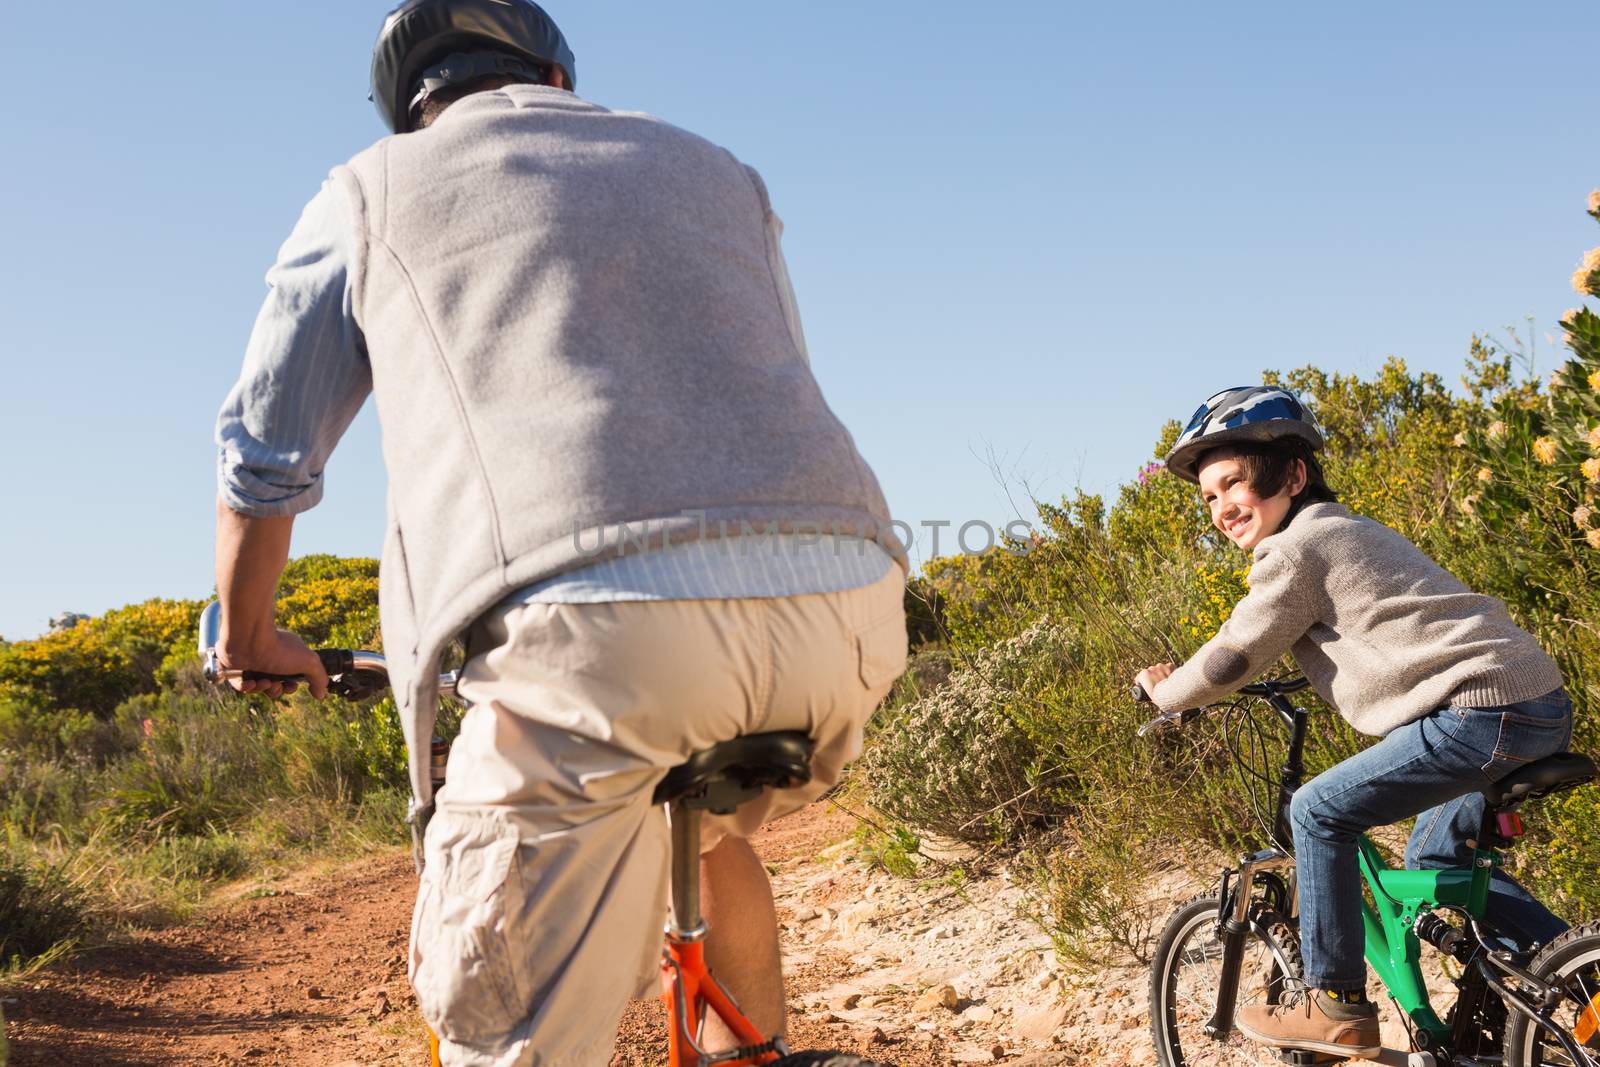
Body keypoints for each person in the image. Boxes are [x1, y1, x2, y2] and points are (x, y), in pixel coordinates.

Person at [211, 1, 908, 1062]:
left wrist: (251, 638)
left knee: (508, 1024)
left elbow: (266, 454)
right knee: (710, 824)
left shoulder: (368, 189)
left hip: (593, 631)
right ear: (554, 74)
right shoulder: (718, 171)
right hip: (847, 598)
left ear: (411, 107)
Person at [1137, 386, 1571, 1059]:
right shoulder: (1350, 530)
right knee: (1434, 858)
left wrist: (1167, 694)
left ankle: (1335, 1003)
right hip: (1533, 705)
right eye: (1208, 497)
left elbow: (1230, 656)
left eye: (1232, 484)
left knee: (1316, 810)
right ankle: (1575, 971)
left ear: (1292, 473)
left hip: (1482, 713)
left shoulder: (1298, 549)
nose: (1221, 508)